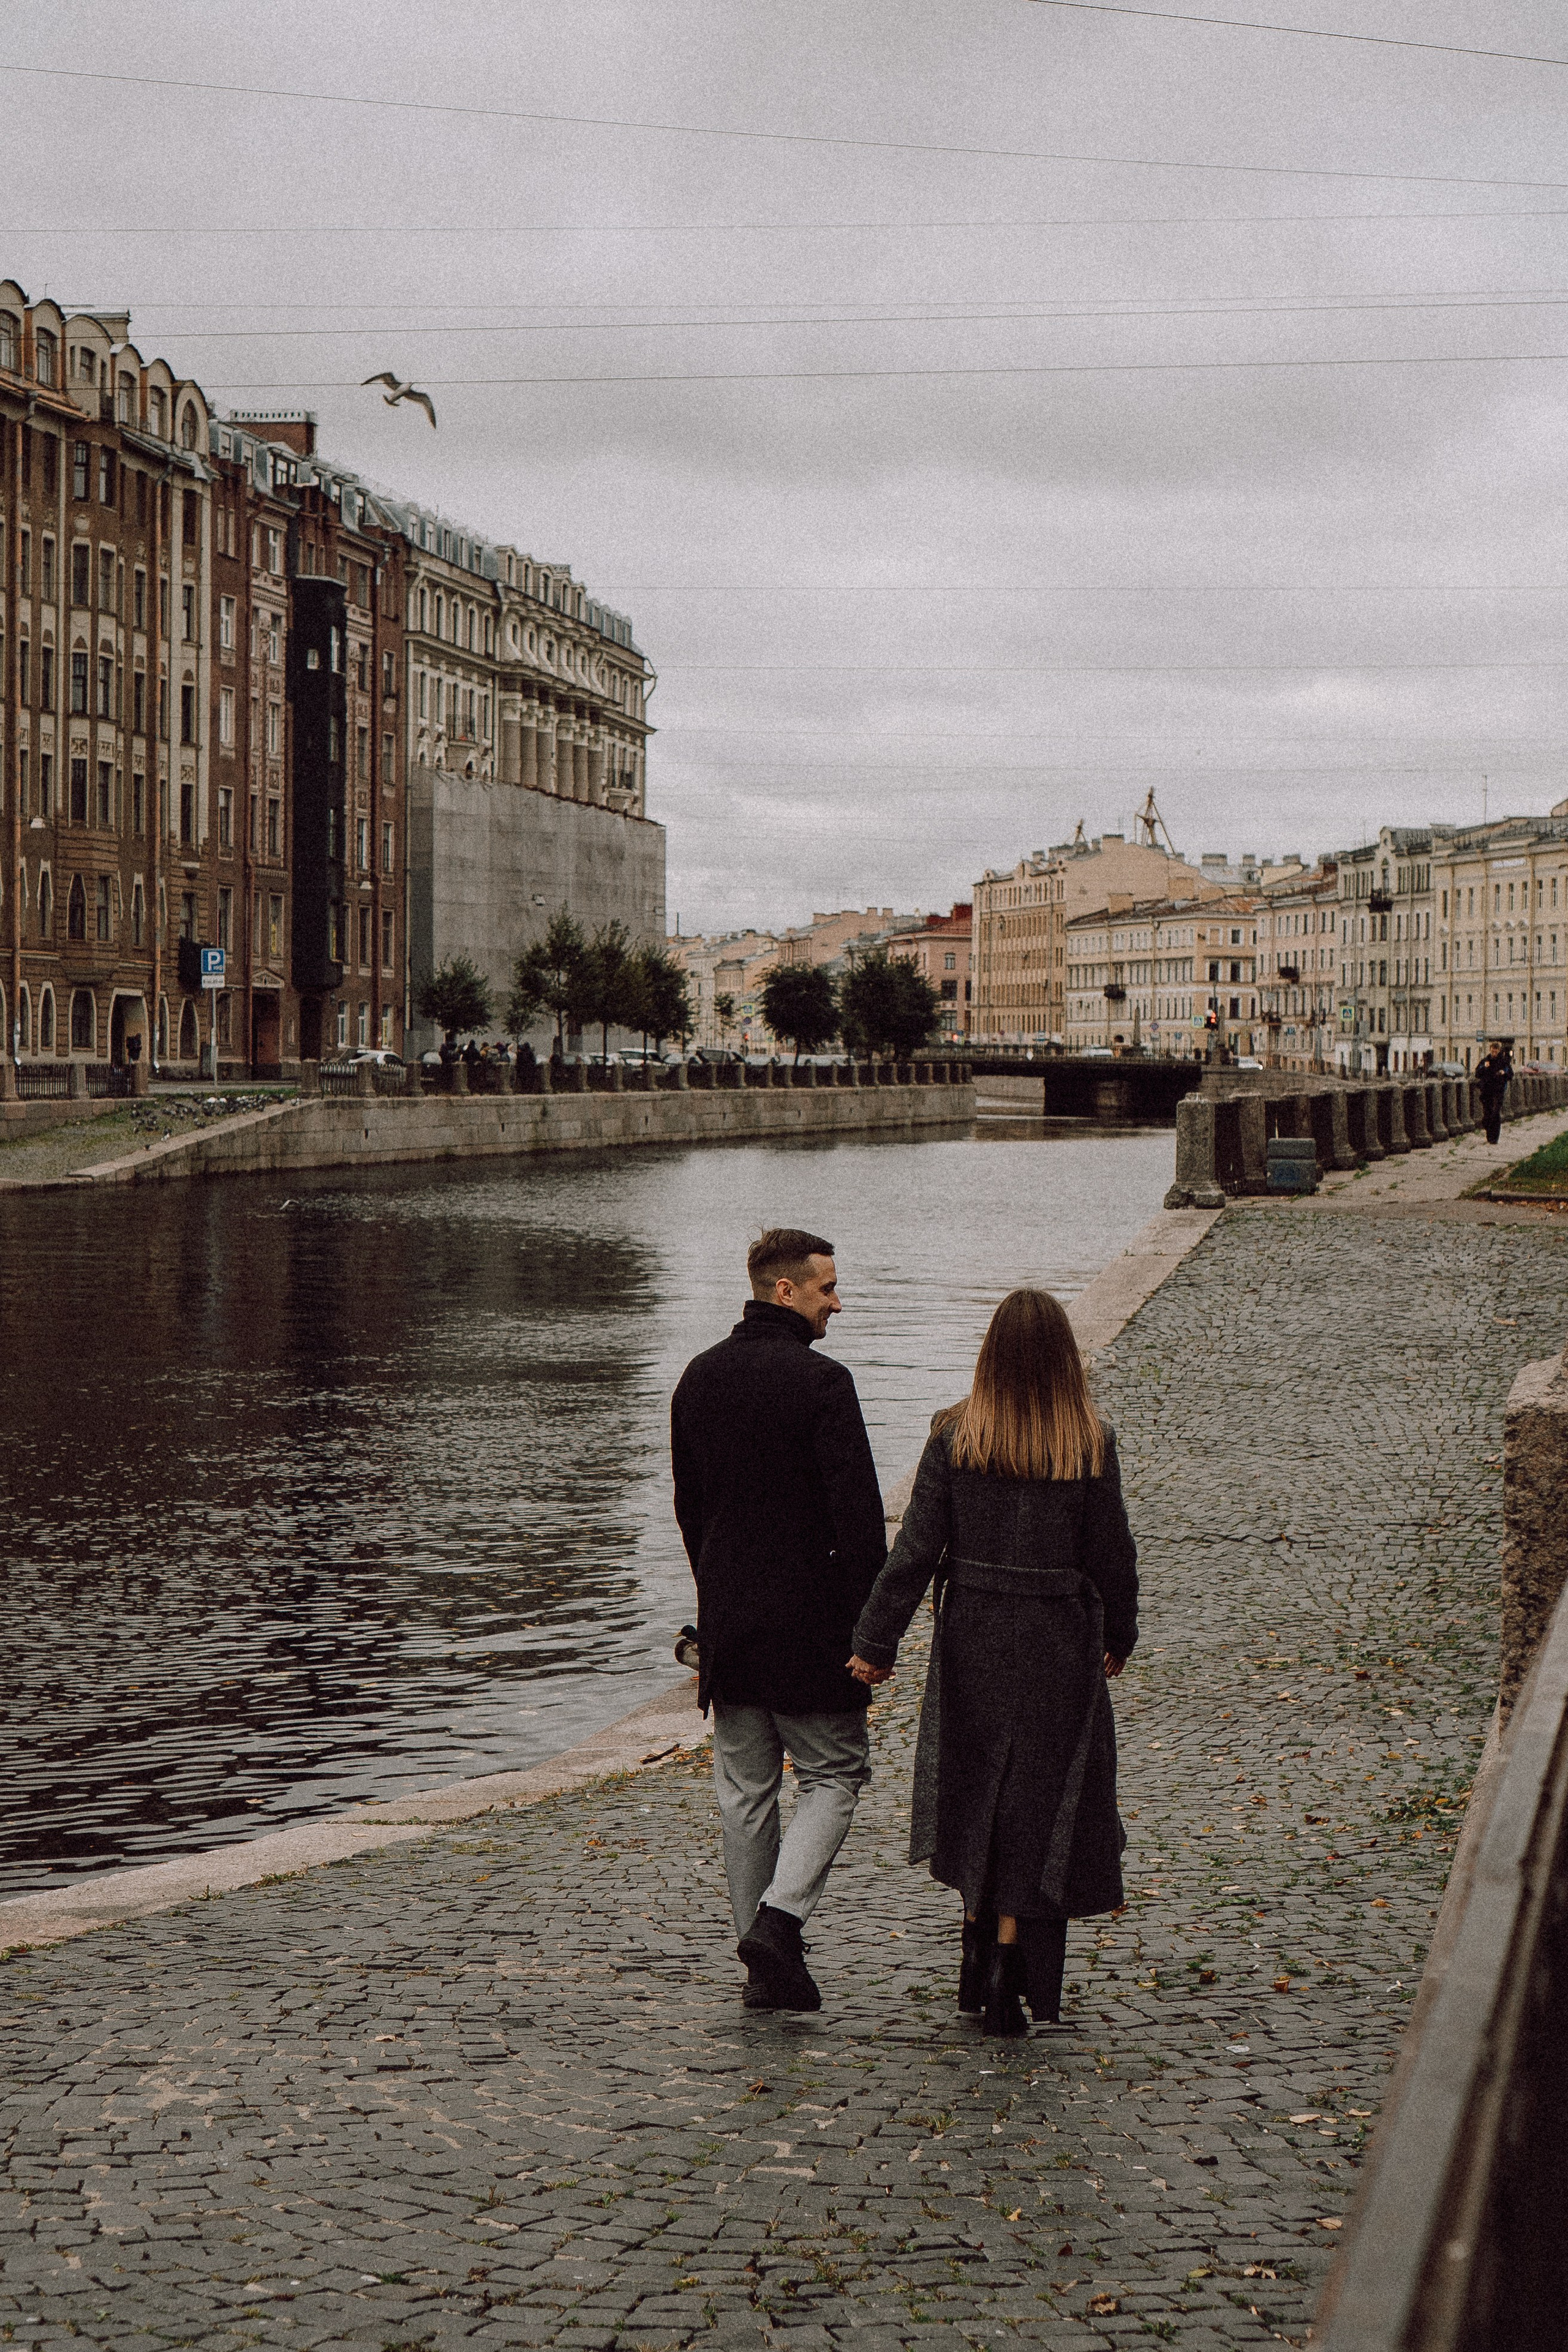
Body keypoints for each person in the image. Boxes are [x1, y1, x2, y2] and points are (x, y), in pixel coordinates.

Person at [847, 1287, 1137, 2038]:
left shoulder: (956, 1435)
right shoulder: (1088, 1442)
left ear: (991, 1355)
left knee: (976, 1788)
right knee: (1036, 1800)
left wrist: (875, 1644)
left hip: (974, 1634)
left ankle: (979, 1952)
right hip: (1056, 1639)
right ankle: (1012, 1962)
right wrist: (1120, 1633)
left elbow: (915, 1550)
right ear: (1064, 1359)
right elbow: (1112, 1553)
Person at [671, 1227, 887, 2011]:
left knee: (745, 1793)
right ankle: (779, 1921)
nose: (838, 1302)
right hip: (812, 1627)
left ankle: (763, 1970)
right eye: (827, 1288)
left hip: (730, 1623)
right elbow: (858, 1521)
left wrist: (716, 1598)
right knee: (834, 1774)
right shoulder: (823, 1383)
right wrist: (872, 1632)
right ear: (785, 1290)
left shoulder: (697, 1378)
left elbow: (690, 1509)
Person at [1477, 1041, 1512, 1147]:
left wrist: (1504, 1073)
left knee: (1496, 1113)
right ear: (1490, 1050)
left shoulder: (1504, 1062)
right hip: (1487, 1091)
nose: (1494, 1051)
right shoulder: (1486, 1061)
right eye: (1493, 1049)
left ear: (1499, 1050)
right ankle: (1489, 1134)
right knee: (1487, 1114)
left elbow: (1511, 1074)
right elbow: (1477, 1074)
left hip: (1499, 1091)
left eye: (1496, 1050)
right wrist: (1485, 1067)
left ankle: (1494, 1138)